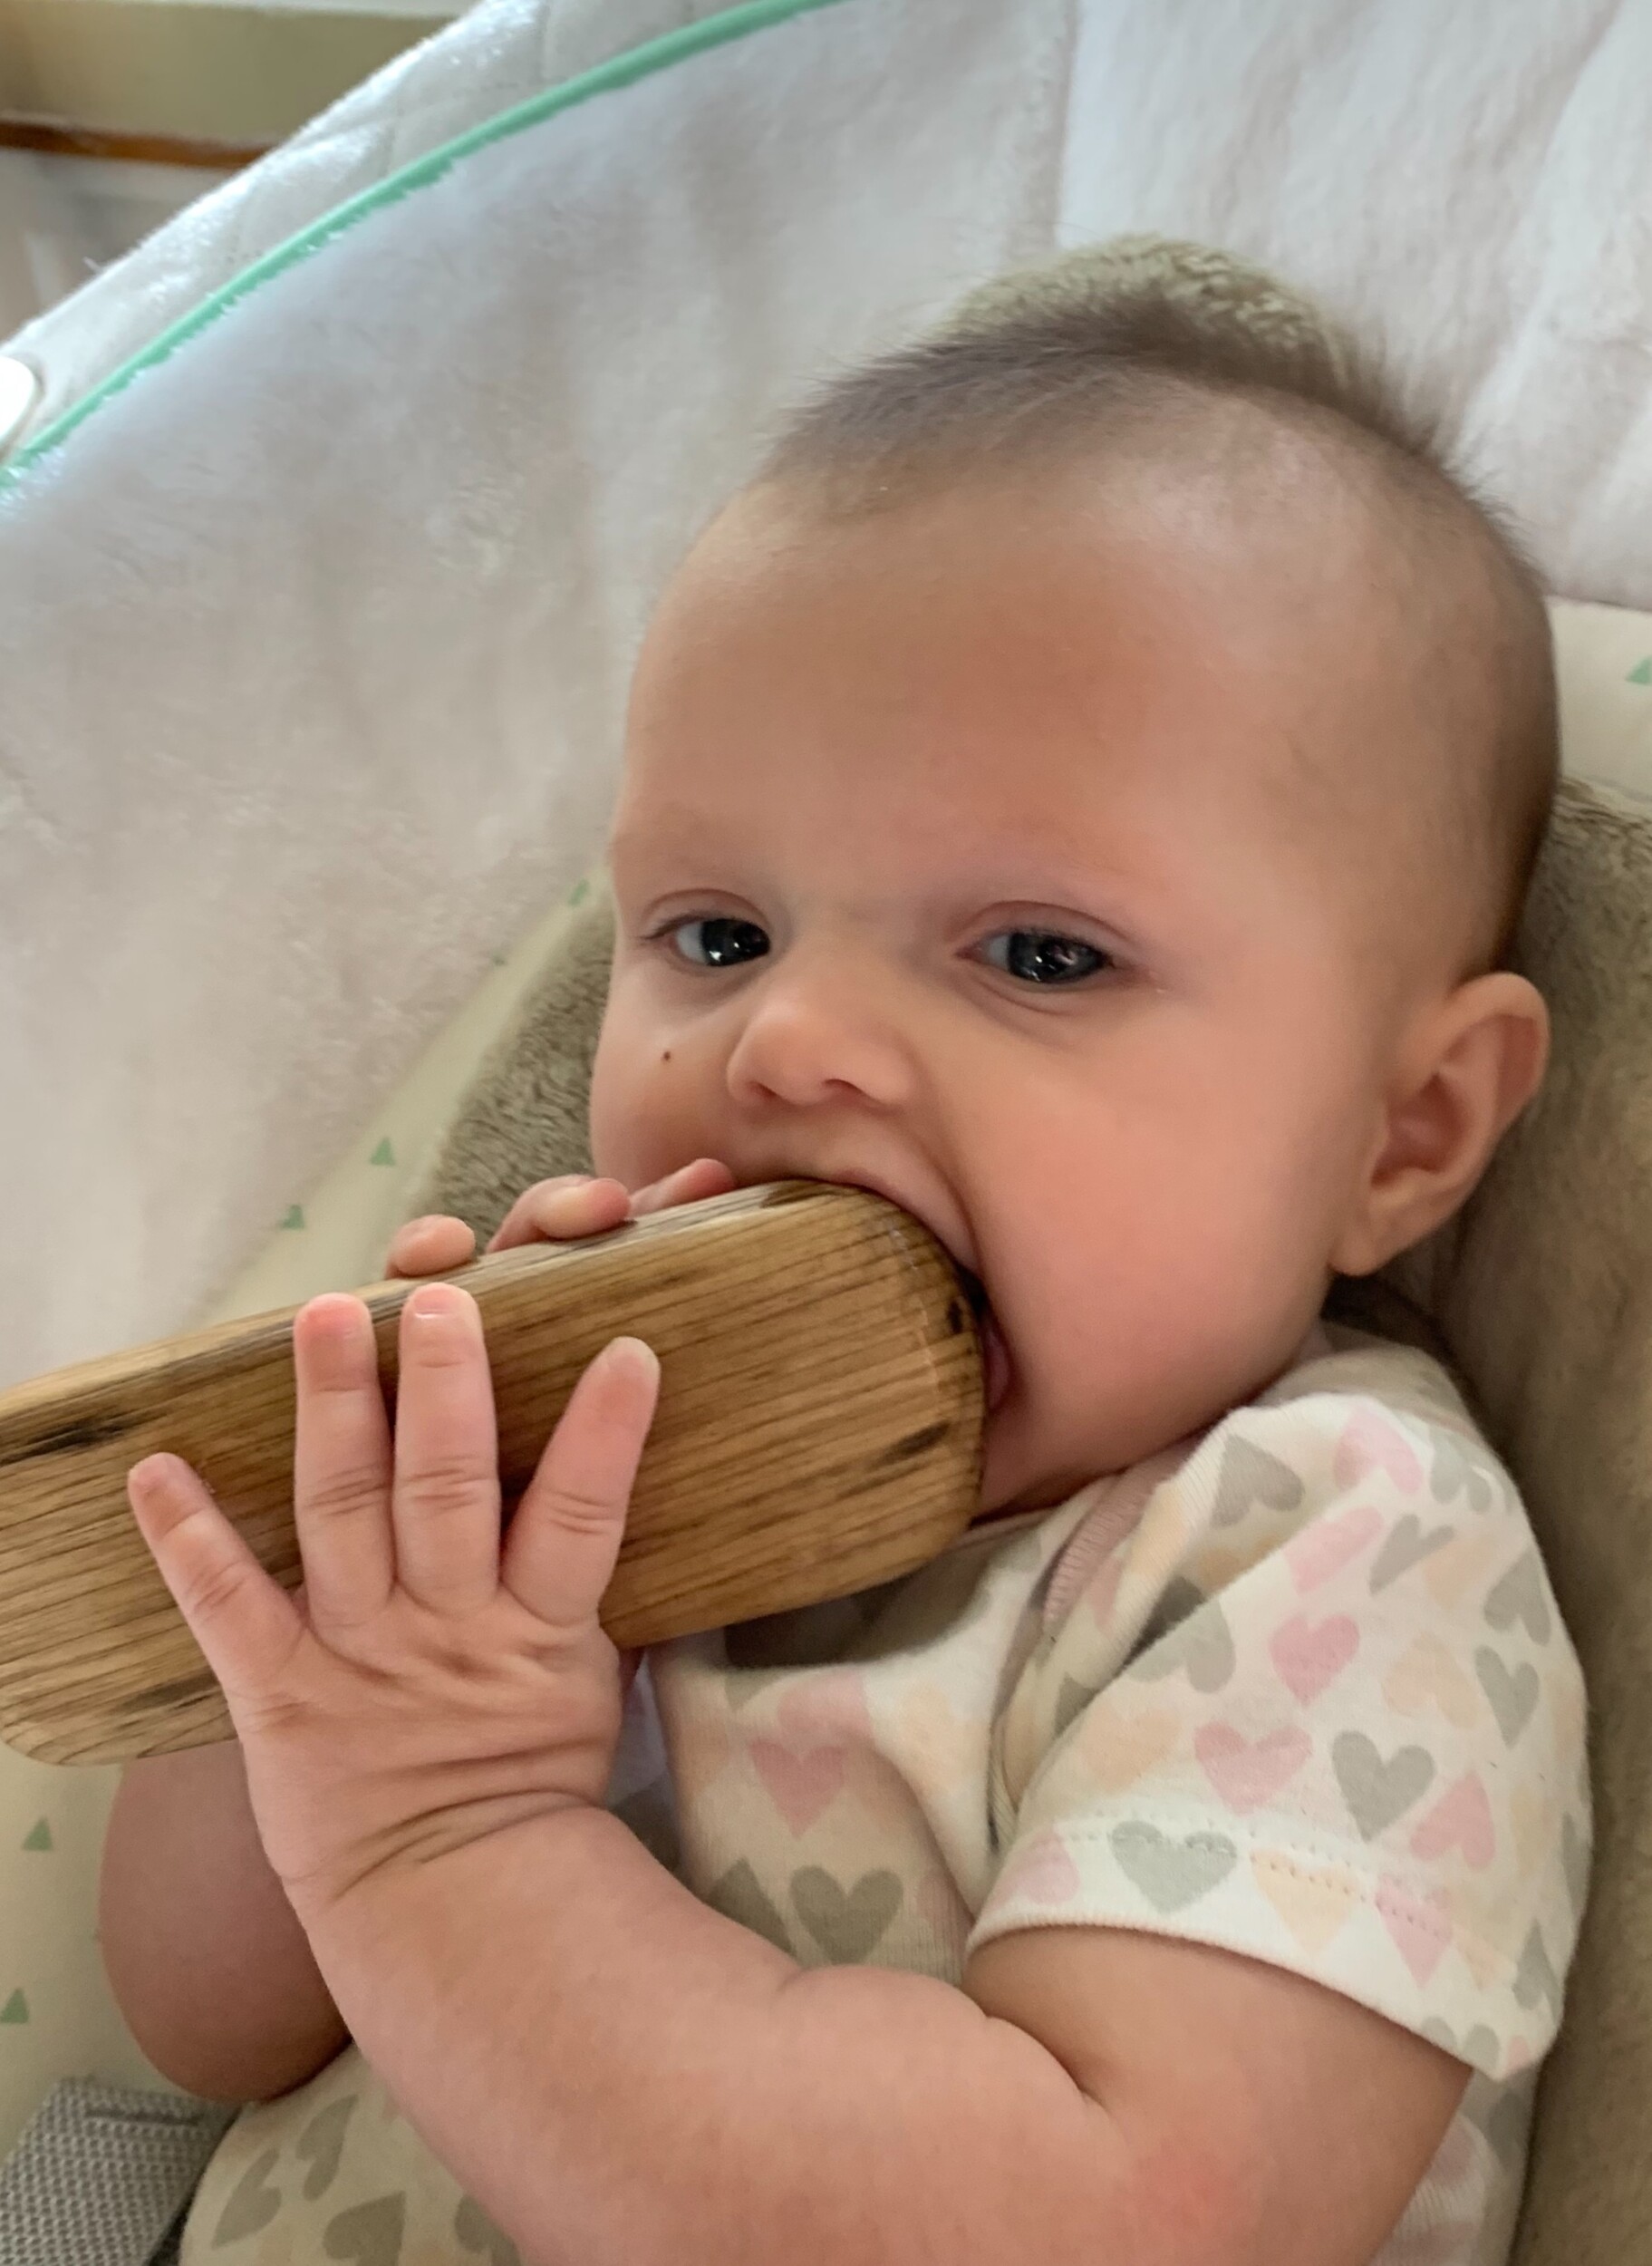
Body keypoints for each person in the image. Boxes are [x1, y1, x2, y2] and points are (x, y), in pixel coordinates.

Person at [101, 237, 1588, 2266]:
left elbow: (1109, 2226)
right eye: (717, 934)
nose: (784, 1041)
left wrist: (452, 1831)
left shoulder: (1324, 1538)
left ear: (1402, 1132)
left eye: (1040, 953)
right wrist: (354, 1629)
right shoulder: (601, 1498)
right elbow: (200, 2026)